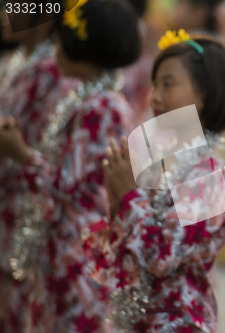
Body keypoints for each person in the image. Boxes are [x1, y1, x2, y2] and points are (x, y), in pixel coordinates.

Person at [0, 0, 141, 331]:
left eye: (63, 38)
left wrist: (21, 153)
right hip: (63, 247)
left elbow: (65, 187)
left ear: (85, 45)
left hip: (77, 251)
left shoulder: (101, 107)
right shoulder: (88, 101)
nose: (57, 48)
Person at [89, 30, 225, 332]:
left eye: (168, 84)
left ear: (206, 94)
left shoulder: (211, 174)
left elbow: (162, 257)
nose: (155, 96)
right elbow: (125, 247)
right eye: (154, 83)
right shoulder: (158, 163)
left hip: (179, 322)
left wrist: (128, 196)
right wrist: (118, 198)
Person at [0, 5, 61, 332]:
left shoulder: (50, 69)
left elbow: (40, 143)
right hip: (6, 201)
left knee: (22, 303)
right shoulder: (11, 63)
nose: (4, 12)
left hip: (27, 200)